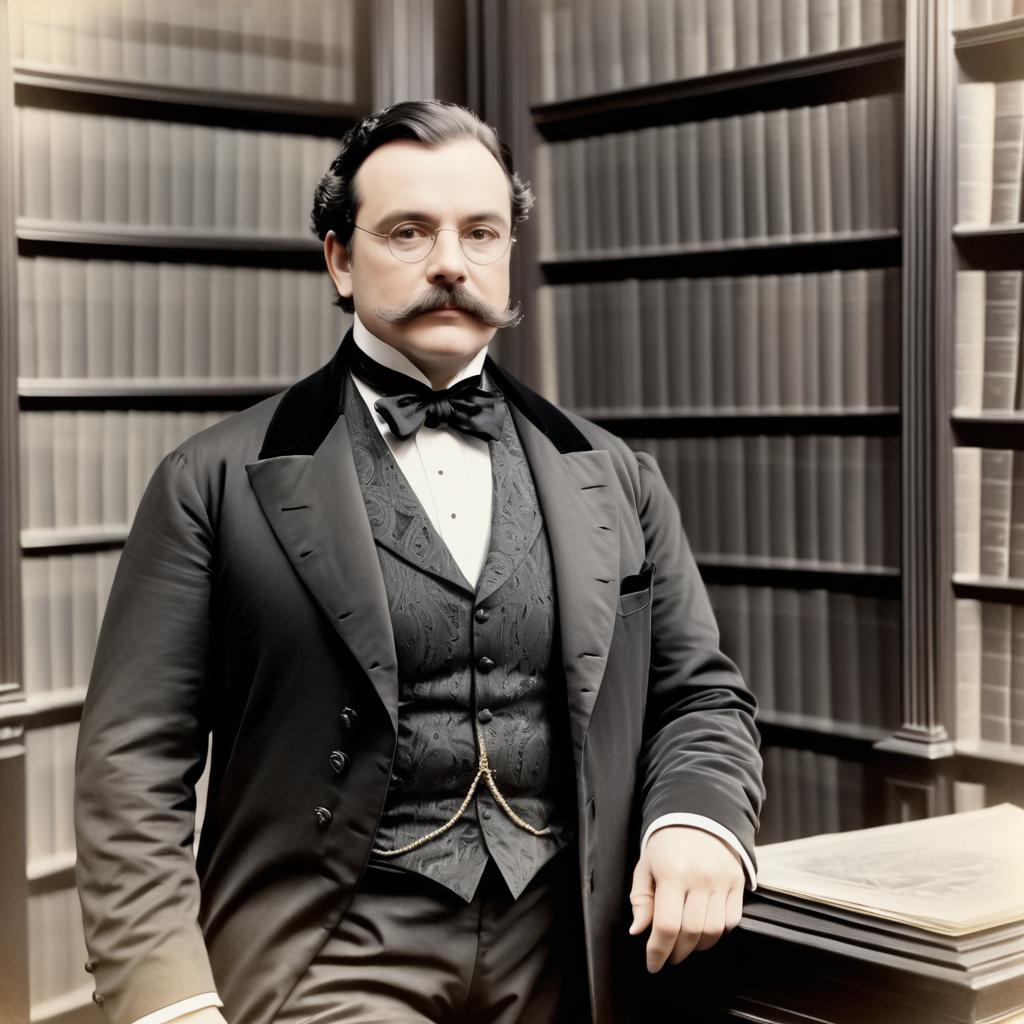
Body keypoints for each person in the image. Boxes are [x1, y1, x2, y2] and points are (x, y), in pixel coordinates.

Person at [74, 99, 765, 1024]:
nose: (451, 261)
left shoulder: (615, 475)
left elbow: (701, 697)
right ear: (339, 259)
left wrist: (698, 819)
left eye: (480, 232)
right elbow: (132, 765)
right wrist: (168, 1001)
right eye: (408, 231)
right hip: (327, 953)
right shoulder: (212, 482)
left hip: (572, 947)